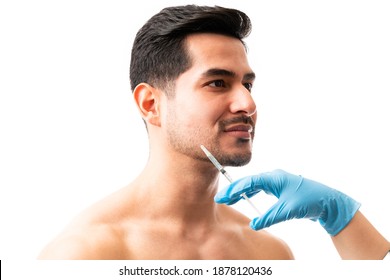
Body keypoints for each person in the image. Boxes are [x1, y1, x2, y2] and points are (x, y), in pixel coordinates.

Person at [38, 5, 389, 260]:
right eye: (218, 82)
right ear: (150, 104)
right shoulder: (86, 254)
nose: (247, 103)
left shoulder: (267, 253)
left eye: (248, 84)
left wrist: (342, 216)